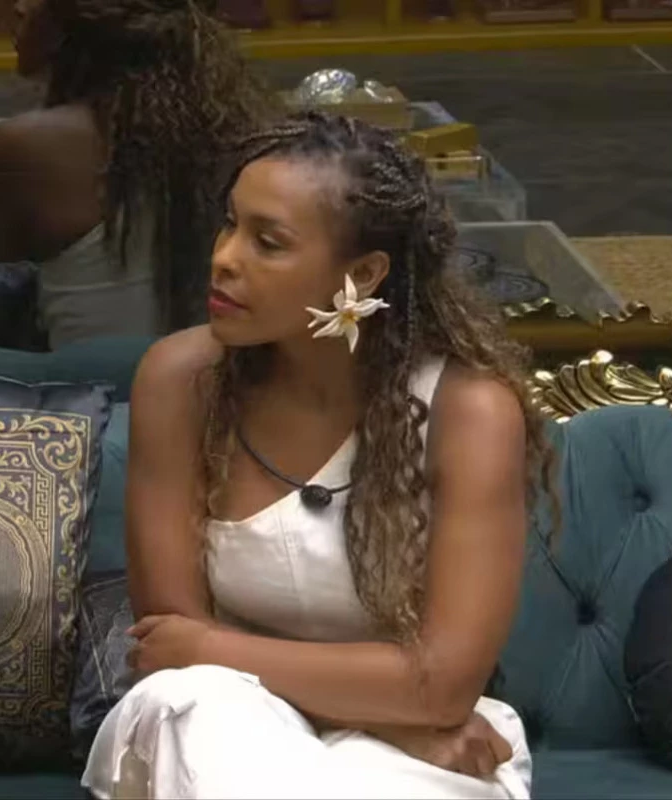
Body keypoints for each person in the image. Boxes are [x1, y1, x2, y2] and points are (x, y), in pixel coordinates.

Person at [82, 112, 558, 799]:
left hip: (414, 756)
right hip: (232, 726)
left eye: (267, 242)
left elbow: (444, 682)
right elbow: (169, 649)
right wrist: (399, 716)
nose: (225, 257)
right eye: (229, 224)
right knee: (188, 706)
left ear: (362, 273)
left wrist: (214, 648)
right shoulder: (180, 381)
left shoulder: (468, 413)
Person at [0, 0, 271, 349]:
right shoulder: (235, 126)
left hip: (77, 383)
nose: (19, 7)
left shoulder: (24, 147)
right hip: (213, 380)